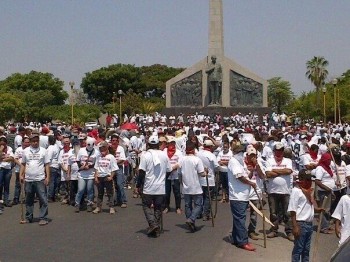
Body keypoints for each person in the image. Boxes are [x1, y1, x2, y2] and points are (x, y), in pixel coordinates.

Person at [137, 135, 172, 238]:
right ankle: (155, 227)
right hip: (160, 187)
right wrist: (162, 179)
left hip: (148, 186)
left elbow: (142, 172)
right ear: (158, 144)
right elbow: (169, 170)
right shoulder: (164, 155)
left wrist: (138, 185)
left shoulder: (146, 155)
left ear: (148, 145)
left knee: (146, 206)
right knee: (158, 207)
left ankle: (153, 224)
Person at [288, 169, 323, 262]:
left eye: (310, 180)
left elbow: (310, 206)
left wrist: (317, 209)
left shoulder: (308, 192)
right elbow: (292, 210)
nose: (309, 182)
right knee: (298, 249)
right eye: (307, 180)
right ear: (301, 179)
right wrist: (295, 226)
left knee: (306, 250)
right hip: (301, 224)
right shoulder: (296, 191)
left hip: (309, 224)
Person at [227, 145, 256, 251]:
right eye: (239, 152)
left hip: (243, 195)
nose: (241, 154)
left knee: (238, 219)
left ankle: (236, 238)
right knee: (240, 219)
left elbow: (247, 175)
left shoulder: (241, 162)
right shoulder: (234, 161)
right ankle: (243, 241)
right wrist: (250, 183)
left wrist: (252, 171)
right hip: (237, 195)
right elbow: (239, 176)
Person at [265, 142, 294, 241]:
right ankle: (274, 230)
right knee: (273, 212)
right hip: (272, 191)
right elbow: (268, 174)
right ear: (274, 151)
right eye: (277, 151)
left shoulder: (288, 160)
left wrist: (275, 171)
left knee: (287, 213)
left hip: (285, 191)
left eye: (281, 151)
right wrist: (282, 172)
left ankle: (289, 231)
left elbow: (289, 171)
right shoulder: (269, 160)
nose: (279, 153)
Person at [19, 132, 50, 225]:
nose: (35, 143)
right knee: (29, 199)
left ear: (39, 141)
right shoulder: (26, 151)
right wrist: (21, 175)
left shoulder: (44, 151)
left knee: (43, 198)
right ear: (30, 142)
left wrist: (48, 177)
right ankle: (29, 217)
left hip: (40, 178)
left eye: (37, 141)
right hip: (28, 179)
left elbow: (47, 165)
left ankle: (43, 217)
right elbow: (23, 164)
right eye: (33, 141)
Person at [179, 141, 206, 233]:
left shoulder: (182, 159)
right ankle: (191, 219)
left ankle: (191, 221)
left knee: (188, 205)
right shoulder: (197, 160)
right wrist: (206, 173)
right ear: (194, 150)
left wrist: (181, 182)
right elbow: (201, 173)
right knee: (199, 205)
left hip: (186, 186)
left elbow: (179, 174)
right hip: (196, 186)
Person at [93, 141, 118, 214]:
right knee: (100, 193)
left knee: (110, 193)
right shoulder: (98, 157)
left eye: (103, 148)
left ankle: (111, 207)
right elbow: (96, 168)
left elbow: (114, 168)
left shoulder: (111, 157)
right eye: (100, 148)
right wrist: (96, 177)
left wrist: (111, 176)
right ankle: (98, 207)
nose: (101, 150)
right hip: (100, 176)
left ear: (107, 148)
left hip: (107, 176)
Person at [197, 139, 219, 221]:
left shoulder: (198, 154)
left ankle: (199, 213)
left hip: (200, 178)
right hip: (209, 178)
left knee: (200, 197)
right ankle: (205, 214)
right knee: (208, 197)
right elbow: (216, 167)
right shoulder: (211, 155)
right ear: (210, 147)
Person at [75, 137, 98, 213]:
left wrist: (90, 166)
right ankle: (77, 204)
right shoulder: (81, 150)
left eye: (90, 144)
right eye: (87, 144)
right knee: (81, 189)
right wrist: (81, 167)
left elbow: (97, 163)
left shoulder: (96, 152)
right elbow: (78, 160)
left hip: (91, 174)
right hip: (82, 174)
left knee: (89, 190)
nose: (88, 146)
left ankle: (89, 204)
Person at [314, 152, 336, 234]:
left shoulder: (327, 167)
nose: (330, 161)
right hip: (323, 192)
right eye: (328, 160)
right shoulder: (320, 168)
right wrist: (327, 189)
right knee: (324, 209)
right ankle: (323, 228)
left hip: (328, 191)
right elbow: (317, 181)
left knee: (328, 209)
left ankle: (325, 224)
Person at [163, 136, 183, 214]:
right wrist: (168, 169)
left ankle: (178, 207)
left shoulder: (178, 152)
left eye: (172, 143)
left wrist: (173, 168)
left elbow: (180, 162)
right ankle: (166, 207)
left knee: (177, 192)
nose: (171, 144)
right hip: (166, 175)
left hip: (176, 174)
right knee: (166, 192)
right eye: (169, 143)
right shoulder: (164, 151)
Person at [109, 134, 128, 208]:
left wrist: (114, 162)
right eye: (113, 140)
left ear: (118, 141)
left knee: (120, 184)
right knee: (114, 186)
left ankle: (124, 201)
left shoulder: (120, 148)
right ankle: (117, 200)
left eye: (115, 141)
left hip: (118, 168)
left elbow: (122, 159)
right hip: (111, 169)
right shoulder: (109, 149)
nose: (114, 142)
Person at [12, 136, 30, 205]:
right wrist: (21, 165)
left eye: (28, 142)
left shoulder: (30, 150)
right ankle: (16, 198)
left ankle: (27, 198)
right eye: (25, 142)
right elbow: (15, 159)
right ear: (22, 142)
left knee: (27, 185)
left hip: (28, 170)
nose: (27, 144)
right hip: (18, 170)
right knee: (18, 184)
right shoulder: (18, 149)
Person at [0, 136, 15, 211]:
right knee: (0, 185)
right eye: (1, 144)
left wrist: (4, 159)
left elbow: (12, 158)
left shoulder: (9, 148)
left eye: (4, 144)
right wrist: (1, 150)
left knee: (6, 185)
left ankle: (6, 200)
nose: (3, 145)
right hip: (1, 169)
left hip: (8, 169)